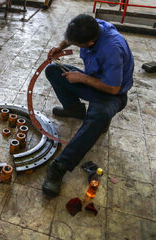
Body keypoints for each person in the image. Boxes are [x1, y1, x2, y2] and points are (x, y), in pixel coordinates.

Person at [42, 14, 134, 197]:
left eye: (77, 45)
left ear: (90, 43)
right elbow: (72, 38)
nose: (73, 45)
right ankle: (74, 109)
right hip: (94, 81)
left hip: (112, 94)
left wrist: (81, 78)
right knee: (53, 70)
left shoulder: (112, 49)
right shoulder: (92, 25)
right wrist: (60, 47)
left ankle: (61, 166)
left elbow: (114, 88)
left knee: (97, 117)